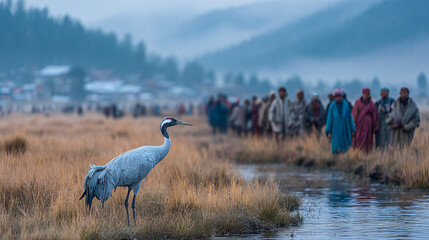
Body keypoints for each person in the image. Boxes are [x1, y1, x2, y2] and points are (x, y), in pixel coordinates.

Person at [325, 89, 356, 154]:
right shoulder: (332, 106)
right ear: (334, 97)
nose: (338, 98)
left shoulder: (346, 105)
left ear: (342, 96)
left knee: (346, 146)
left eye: (340, 96)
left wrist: (353, 129)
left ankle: (345, 159)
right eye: (337, 96)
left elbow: (350, 118)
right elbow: (329, 119)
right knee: (336, 146)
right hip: (335, 130)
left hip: (345, 128)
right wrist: (329, 131)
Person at [352, 88, 379, 153]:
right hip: (359, 125)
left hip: (368, 126)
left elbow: (375, 115)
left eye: (368, 94)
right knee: (358, 138)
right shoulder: (357, 103)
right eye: (365, 94)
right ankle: (358, 152)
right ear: (363, 94)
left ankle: (367, 153)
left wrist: (375, 126)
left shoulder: (372, 104)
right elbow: (354, 113)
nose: (367, 96)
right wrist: (353, 124)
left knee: (368, 139)